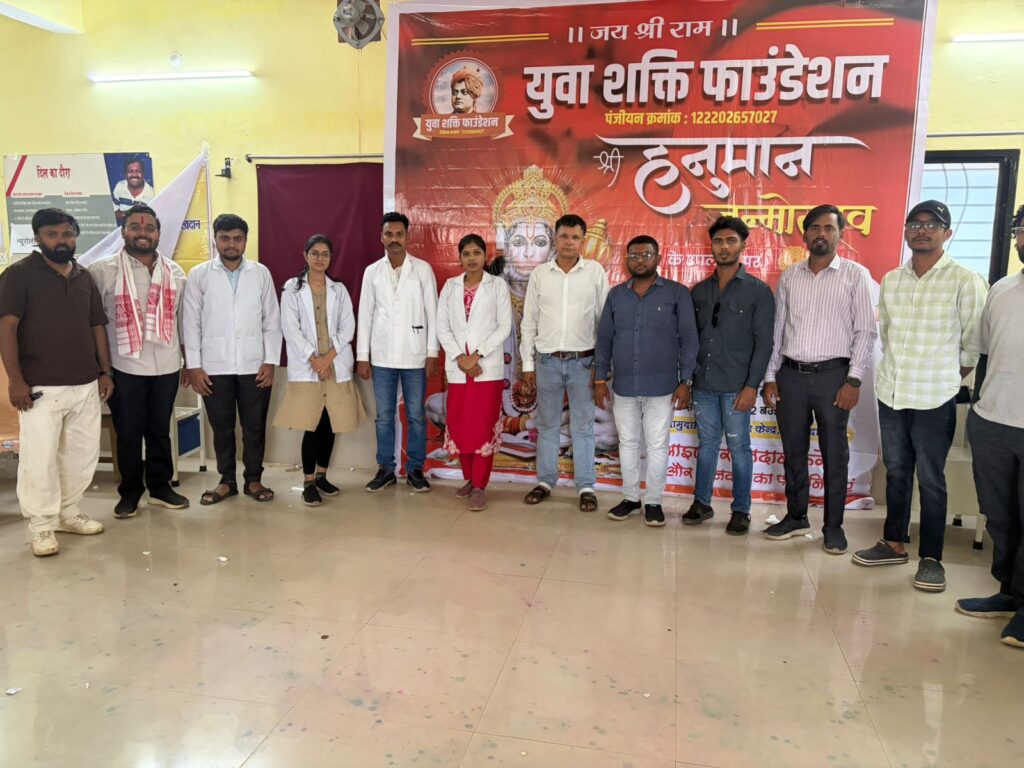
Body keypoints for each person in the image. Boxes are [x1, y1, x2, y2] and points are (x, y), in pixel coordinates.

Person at [852, 201, 987, 592]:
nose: (922, 230)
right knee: (896, 471)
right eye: (915, 223)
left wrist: (946, 378)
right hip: (893, 392)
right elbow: (888, 334)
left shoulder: (965, 279)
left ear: (947, 233)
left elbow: (973, 344)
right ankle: (894, 543)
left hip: (935, 397)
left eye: (932, 224)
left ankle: (931, 558)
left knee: (930, 478)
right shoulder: (892, 279)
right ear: (906, 231)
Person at [762, 205, 876, 554]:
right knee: (794, 452)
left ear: (841, 234)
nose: (821, 234)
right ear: (805, 234)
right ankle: (797, 516)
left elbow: (865, 330)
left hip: (834, 377)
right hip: (791, 376)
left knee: (834, 454)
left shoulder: (855, 275)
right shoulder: (790, 276)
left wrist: (853, 380)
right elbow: (777, 330)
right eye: (814, 228)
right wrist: (770, 376)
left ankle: (833, 526)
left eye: (829, 228)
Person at [0, 208, 114, 556]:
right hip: (40, 387)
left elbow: (97, 326)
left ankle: (68, 513)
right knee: (40, 459)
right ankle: (42, 526)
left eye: (67, 234)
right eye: (52, 234)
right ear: (37, 238)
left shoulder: (83, 276)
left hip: (84, 382)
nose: (61, 240)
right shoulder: (18, 275)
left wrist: (105, 371)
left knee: (80, 455)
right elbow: (7, 328)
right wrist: (15, 380)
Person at [88, 203, 189, 518]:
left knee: (160, 429)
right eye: (135, 227)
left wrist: (189, 362)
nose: (142, 233)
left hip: (167, 365)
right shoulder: (102, 271)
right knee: (129, 432)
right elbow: (94, 325)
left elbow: (182, 321)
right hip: (124, 366)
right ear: (123, 231)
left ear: (158, 233)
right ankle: (130, 493)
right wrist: (103, 370)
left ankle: (160, 488)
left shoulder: (174, 272)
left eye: (149, 228)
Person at [594, 235, 697, 526]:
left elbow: (689, 339)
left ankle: (653, 502)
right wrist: (599, 380)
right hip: (624, 385)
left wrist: (686, 381)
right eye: (634, 256)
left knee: (657, 444)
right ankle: (630, 498)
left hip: (663, 385)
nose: (640, 260)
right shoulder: (616, 295)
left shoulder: (677, 293)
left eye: (646, 255)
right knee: (627, 443)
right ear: (626, 260)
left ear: (658, 258)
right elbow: (605, 339)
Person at [957, 205, 1024, 648]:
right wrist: (978, 406)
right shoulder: (1002, 289)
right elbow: (981, 352)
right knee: (1000, 515)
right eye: (1022, 229)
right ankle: (1010, 592)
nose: (1023, 237)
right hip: (994, 421)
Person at [182, 213, 282, 505]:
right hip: (214, 366)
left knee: (254, 427)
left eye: (237, 238)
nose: (231, 244)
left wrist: (270, 361)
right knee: (222, 428)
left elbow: (272, 320)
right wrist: (194, 365)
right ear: (215, 240)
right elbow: (190, 323)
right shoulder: (199, 274)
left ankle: (253, 479)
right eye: (225, 238)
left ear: (245, 241)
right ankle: (226, 481)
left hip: (255, 365)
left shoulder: (260, 273)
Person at [687, 216, 776, 535]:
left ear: (742, 246)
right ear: (711, 246)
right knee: (707, 445)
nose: (724, 247)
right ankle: (702, 503)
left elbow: (764, 344)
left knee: (739, 448)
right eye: (718, 241)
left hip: (738, 387)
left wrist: (752, 386)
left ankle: (741, 510)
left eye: (730, 241)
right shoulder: (699, 291)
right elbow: (689, 340)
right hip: (703, 385)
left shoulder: (758, 291)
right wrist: (687, 380)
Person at [519, 213, 610, 511]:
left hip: (584, 363)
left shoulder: (594, 272)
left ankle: (586, 486)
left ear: (583, 241)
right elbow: (529, 322)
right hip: (546, 362)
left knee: (583, 426)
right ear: (555, 239)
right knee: (547, 424)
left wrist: (601, 368)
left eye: (575, 237)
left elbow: (605, 323)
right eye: (563, 236)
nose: (569, 242)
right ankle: (546, 481)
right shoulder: (540, 274)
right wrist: (528, 365)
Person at [275, 234, 365, 506]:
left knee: (329, 424)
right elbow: (290, 329)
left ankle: (323, 476)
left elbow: (348, 328)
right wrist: (315, 360)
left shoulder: (339, 289)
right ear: (305, 255)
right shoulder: (292, 289)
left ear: (330, 258)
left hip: (335, 365)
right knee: (312, 425)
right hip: (308, 367)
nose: (319, 258)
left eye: (325, 254)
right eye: (315, 253)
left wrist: (328, 359)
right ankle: (308, 482)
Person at [356, 212, 439, 493]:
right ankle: (386, 468)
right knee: (384, 416)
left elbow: (433, 313)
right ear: (381, 237)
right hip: (382, 357)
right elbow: (365, 315)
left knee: (415, 415)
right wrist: (363, 356)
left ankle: (415, 468)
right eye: (389, 234)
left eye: (399, 234)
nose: (394, 239)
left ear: (407, 237)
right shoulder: (372, 272)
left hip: (415, 355)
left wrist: (432, 352)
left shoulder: (422, 270)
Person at [436, 233, 513, 511]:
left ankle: (480, 485)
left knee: (482, 426)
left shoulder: (497, 286)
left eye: (476, 253)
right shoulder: (450, 286)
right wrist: (461, 358)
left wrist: (476, 356)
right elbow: (442, 326)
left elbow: (504, 326)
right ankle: (469, 479)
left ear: (485, 256)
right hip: (459, 368)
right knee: (461, 424)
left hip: (485, 368)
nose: (471, 258)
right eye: (466, 253)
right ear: (459, 258)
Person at [112, 156, 155, 225]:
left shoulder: (152, 193)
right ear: (125, 174)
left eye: (138, 171)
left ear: (143, 174)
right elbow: (113, 212)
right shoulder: (119, 186)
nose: (134, 175)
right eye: (130, 171)